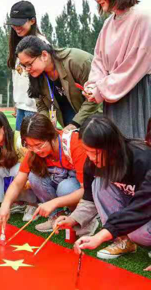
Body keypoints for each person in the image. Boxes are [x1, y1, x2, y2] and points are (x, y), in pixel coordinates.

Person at [53, 115, 151, 270]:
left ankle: (131, 236)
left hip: (144, 210)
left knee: (138, 233)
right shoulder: (92, 163)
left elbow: (143, 207)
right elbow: (89, 198)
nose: (91, 158)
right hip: (134, 210)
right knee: (99, 183)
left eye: (95, 152)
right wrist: (73, 219)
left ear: (111, 147)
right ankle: (122, 240)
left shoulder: (142, 160)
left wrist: (102, 234)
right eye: (87, 151)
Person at [0, 113, 99, 235]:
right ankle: (57, 216)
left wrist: (53, 203)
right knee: (34, 177)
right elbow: (18, 182)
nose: (36, 150)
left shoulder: (74, 144)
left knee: (65, 188)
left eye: (39, 145)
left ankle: (85, 219)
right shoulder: (34, 151)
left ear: (51, 136)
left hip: (81, 186)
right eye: (30, 146)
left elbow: (86, 189)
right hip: (62, 180)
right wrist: (5, 204)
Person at [84, 0, 151, 139]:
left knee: (135, 146)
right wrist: (93, 85)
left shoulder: (143, 17)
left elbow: (135, 65)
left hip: (135, 92)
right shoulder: (108, 23)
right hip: (112, 95)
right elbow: (99, 59)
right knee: (115, 148)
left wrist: (101, 89)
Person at [16, 36, 102, 132]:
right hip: (68, 125)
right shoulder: (36, 74)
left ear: (44, 55)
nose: (27, 69)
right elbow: (41, 106)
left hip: (97, 123)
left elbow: (94, 98)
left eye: (29, 64)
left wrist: (75, 124)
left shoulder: (77, 61)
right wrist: (46, 124)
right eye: (24, 65)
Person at [6, 1, 47, 131]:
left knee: (32, 147)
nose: (16, 27)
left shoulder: (42, 44)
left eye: (20, 23)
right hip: (22, 106)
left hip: (36, 108)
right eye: (13, 23)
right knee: (20, 147)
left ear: (32, 21)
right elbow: (17, 76)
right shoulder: (17, 44)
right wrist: (17, 103)